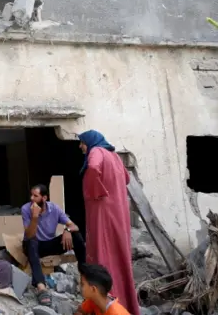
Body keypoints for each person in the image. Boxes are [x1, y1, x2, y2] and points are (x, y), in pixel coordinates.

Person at [78, 130, 139, 315]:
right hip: (119, 213)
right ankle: (125, 302)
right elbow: (127, 178)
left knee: (102, 252)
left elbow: (94, 167)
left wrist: (96, 191)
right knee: (119, 255)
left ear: (89, 142)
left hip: (103, 212)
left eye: (81, 143)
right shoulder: (114, 155)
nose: (80, 146)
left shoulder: (96, 151)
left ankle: (104, 302)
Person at [22, 184, 86, 307]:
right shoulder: (26, 209)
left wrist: (67, 230)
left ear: (44, 198)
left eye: (35, 196)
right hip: (32, 245)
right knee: (31, 242)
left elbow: (74, 226)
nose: (31, 198)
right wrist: (34, 217)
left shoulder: (54, 209)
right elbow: (29, 235)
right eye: (31, 195)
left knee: (76, 235)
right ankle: (41, 286)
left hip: (48, 244)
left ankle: (84, 276)